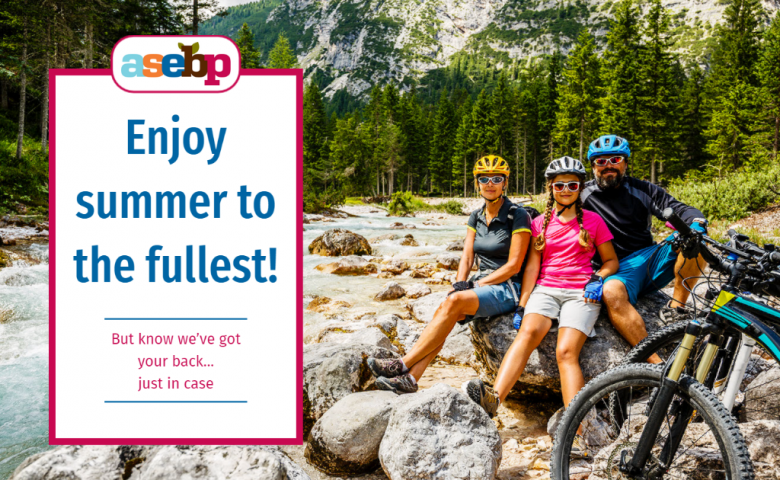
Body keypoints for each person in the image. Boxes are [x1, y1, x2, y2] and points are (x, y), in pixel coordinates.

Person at [466, 156, 619, 458]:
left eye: (572, 185)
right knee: (527, 334)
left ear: (579, 187)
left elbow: (611, 261)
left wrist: (597, 278)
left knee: (566, 352)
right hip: (546, 289)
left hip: (580, 292)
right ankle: (494, 399)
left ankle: (574, 432)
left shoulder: (593, 221)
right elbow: (532, 269)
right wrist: (523, 305)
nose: (565, 189)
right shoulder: (538, 224)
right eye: (559, 184)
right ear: (550, 187)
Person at [366, 155, 532, 394]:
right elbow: (466, 257)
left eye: (497, 178)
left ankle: (401, 365)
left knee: (452, 305)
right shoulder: (476, 216)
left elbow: (515, 265)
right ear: (477, 183)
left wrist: (476, 285)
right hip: (481, 285)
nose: (490, 183)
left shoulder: (517, 215)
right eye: (484, 179)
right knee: (444, 313)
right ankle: (411, 379)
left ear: (505, 183)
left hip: (508, 287)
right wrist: (459, 284)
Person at [581, 135, 707, 354]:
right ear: (592, 166)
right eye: (601, 161)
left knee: (694, 241)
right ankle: (652, 362)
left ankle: (676, 309)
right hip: (612, 269)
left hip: (647, 258)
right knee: (611, 291)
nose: (608, 166)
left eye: (615, 160)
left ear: (626, 163)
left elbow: (679, 209)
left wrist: (697, 223)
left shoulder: (643, 190)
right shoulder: (581, 194)